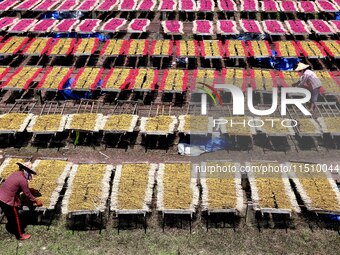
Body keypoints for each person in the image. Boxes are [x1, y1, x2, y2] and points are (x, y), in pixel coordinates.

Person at [0, 162, 43, 240]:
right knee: (15, 218)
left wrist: (29, 189)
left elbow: (15, 185)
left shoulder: (15, 174)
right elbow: (27, 194)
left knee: (10, 217)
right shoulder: (23, 180)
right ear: (26, 171)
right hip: (7, 201)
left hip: (1, 196)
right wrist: (36, 200)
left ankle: (11, 226)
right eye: (30, 172)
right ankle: (20, 235)